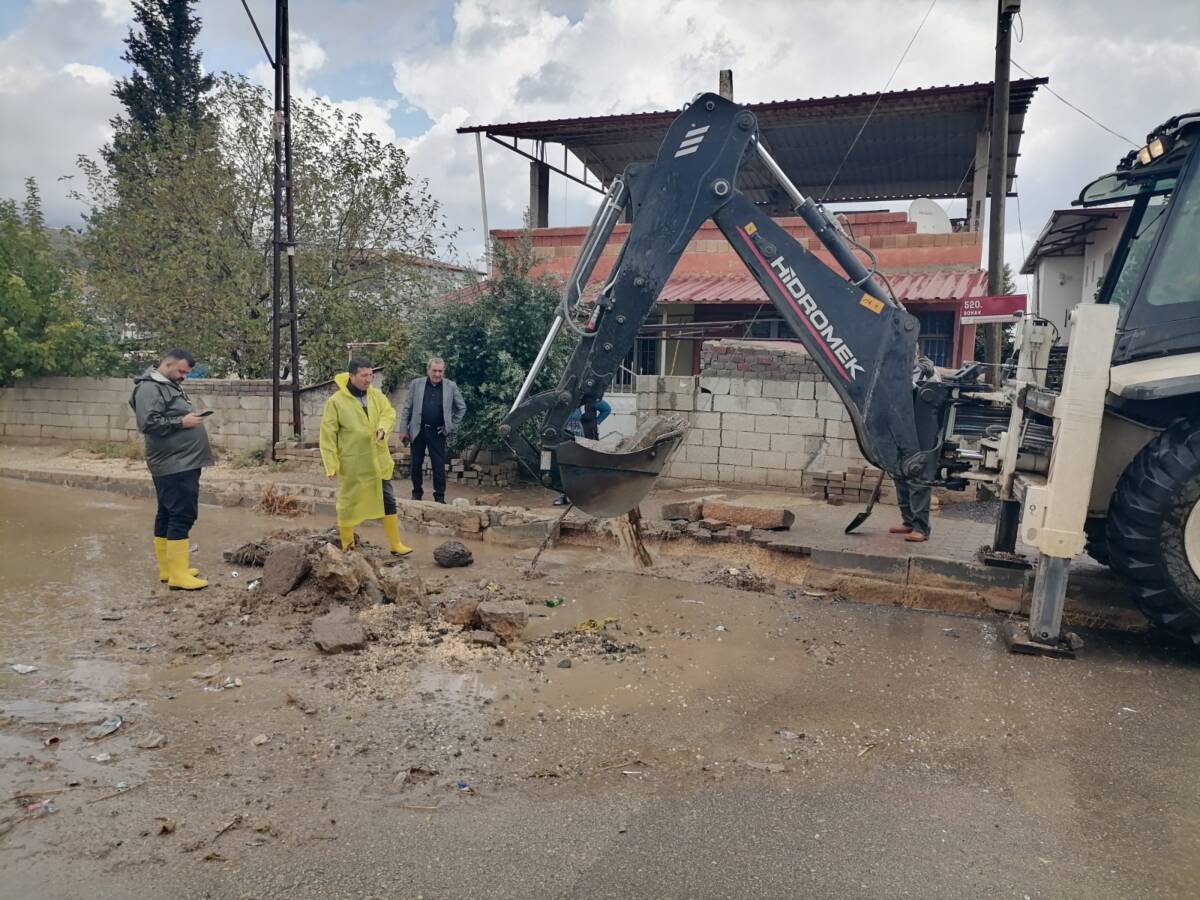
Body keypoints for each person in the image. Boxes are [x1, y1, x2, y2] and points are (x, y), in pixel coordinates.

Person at [130, 348, 213, 590]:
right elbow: (147, 423)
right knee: (182, 514)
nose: (184, 376)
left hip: (181, 460)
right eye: (182, 371)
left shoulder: (166, 385)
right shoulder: (149, 387)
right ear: (168, 364)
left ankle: (171, 569)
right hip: (174, 463)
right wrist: (182, 421)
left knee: (167, 512)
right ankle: (178, 576)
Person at [319, 358, 413, 556]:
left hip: (377, 460)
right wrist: (331, 464)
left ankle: (395, 544)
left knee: (387, 498)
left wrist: (382, 428)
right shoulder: (336, 402)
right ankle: (348, 546)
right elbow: (328, 435)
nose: (368, 379)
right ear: (352, 376)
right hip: (353, 462)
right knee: (348, 503)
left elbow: (388, 413)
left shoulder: (376, 396)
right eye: (364, 375)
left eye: (371, 375)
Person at [399, 357, 466, 504]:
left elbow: (461, 408)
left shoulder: (451, 386)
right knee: (416, 463)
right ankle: (416, 493)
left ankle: (440, 497)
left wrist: (450, 426)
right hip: (418, 429)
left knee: (438, 465)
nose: (437, 374)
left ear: (443, 371)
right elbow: (407, 408)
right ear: (428, 370)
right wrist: (403, 429)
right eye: (434, 370)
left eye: (440, 371)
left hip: (438, 432)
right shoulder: (416, 384)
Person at [890, 355, 938, 543]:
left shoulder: (926, 372)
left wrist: (929, 373)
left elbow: (931, 392)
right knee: (899, 476)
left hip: (919, 433)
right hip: (899, 431)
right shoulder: (893, 372)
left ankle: (921, 527)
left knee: (917, 477)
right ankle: (909, 521)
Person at [553, 399, 612, 506]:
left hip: (587, 439)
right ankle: (565, 495)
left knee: (586, 467)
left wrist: (597, 422)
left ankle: (586, 496)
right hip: (569, 440)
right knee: (568, 467)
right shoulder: (568, 401)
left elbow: (607, 410)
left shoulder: (592, 401)